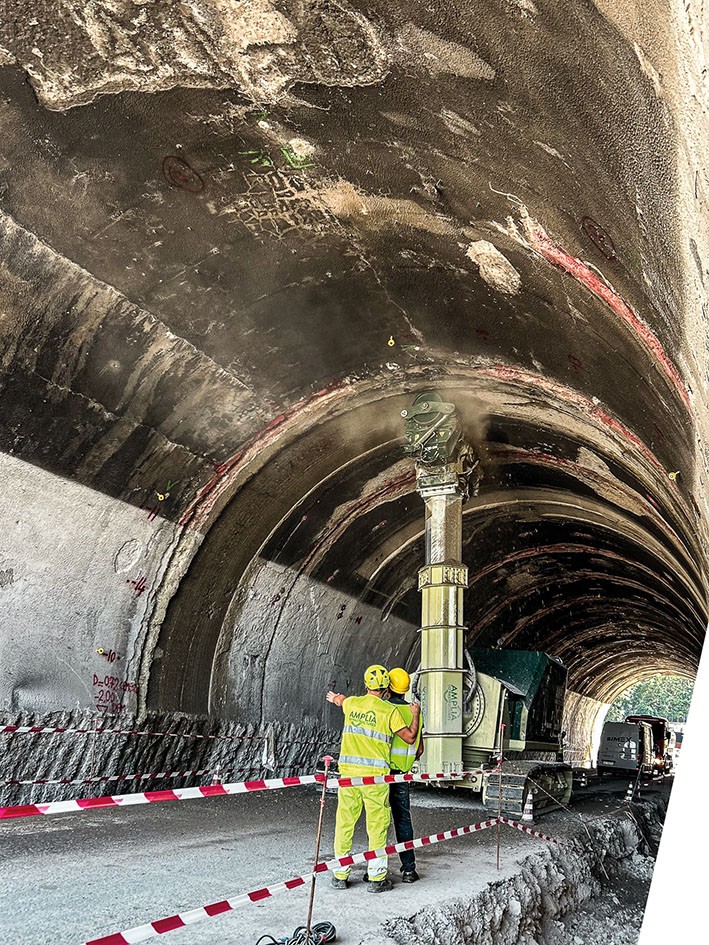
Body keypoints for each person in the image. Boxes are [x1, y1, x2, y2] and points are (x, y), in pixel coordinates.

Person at [326, 664, 421, 893]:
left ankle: (341, 875)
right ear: (386, 686)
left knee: (345, 822)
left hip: (348, 776)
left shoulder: (352, 704)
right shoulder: (389, 711)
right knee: (377, 825)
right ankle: (377, 879)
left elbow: (341, 700)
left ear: (366, 684)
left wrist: (334, 697)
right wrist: (415, 716)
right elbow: (409, 738)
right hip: (375, 778)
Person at [387, 667, 423, 883]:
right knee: (403, 821)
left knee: (379, 822)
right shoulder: (415, 712)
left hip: (381, 774)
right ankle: (409, 869)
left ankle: (376, 869)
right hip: (402, 775)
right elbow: (419, 750)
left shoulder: (382, 709)